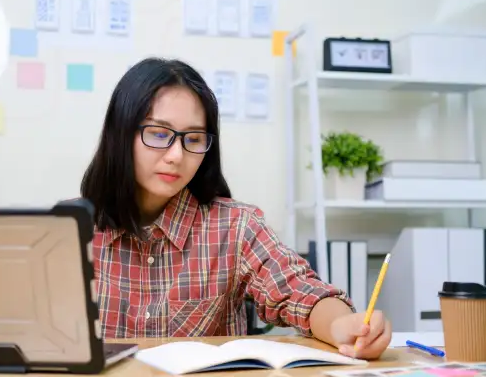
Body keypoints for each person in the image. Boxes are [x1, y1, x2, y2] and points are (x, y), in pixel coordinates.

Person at [80, 57, 392, 359]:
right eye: (159, 134)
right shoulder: (74, 229)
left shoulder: (235, 226)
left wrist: (341, 325)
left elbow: (300, 291)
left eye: (193, 138)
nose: (176, 154)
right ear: (120, 134)